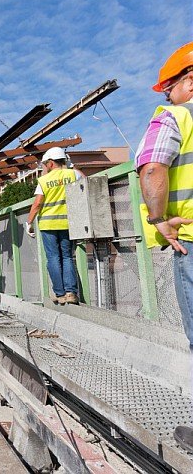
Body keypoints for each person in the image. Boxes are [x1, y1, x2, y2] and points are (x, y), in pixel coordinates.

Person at [135, 42, 193, 453]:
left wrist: (158, 220)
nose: (166, 96)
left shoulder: (175, 116)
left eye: (168, 87)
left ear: (186, 81)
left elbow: (154, 165)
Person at [26, 147, 83, 305]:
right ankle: (71, 292)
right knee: (67, 257)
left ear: (51, 163)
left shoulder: (43, 181)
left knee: (53, 258)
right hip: (67, 222)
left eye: (45, 164)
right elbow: (85, 182)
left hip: (48, 224)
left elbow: (37, 203)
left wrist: (29, 222)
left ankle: (60, 294)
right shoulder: (73, 174)